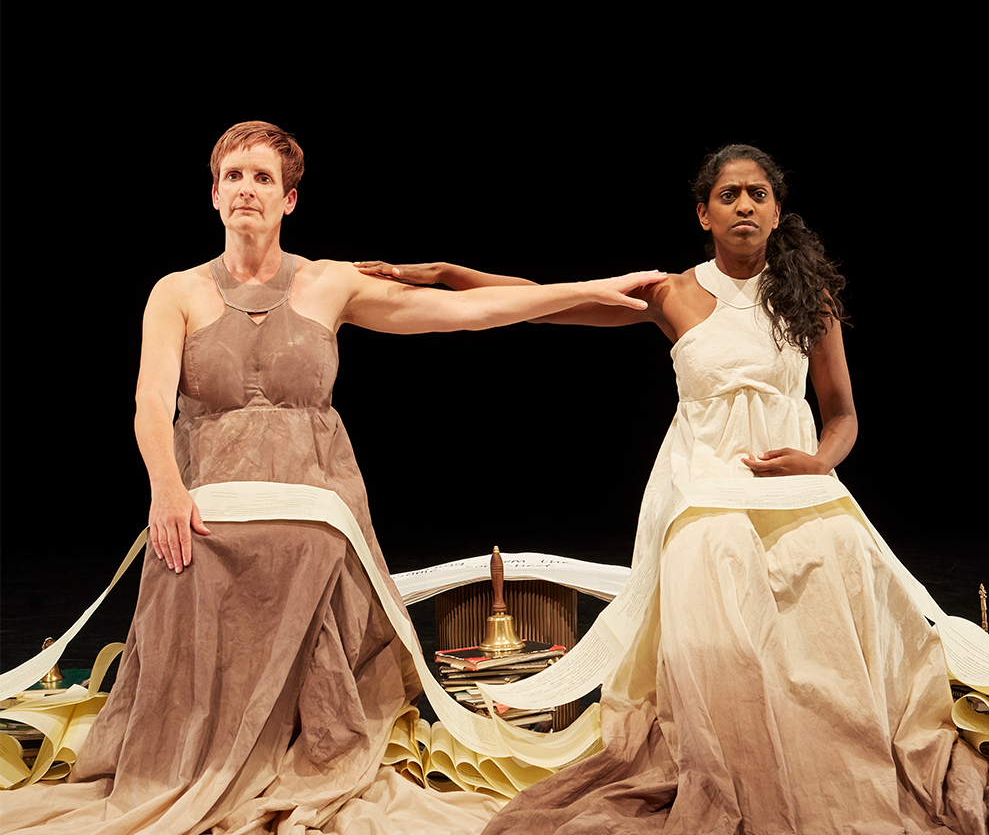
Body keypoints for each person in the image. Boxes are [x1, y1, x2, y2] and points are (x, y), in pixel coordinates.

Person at [0, 121, 664, 835]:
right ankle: (194, 756)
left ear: (289, 200)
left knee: (311, 556)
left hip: (316, 500)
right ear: (214, 194)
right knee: (184, 563)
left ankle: (304, 746)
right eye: (233, 176)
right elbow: (149, 402)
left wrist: (582, 289)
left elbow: (462, 312)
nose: (246, 189)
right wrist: (165, 486)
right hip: (206, 500)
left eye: (262, 178)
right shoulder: (178, 292)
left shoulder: (327, 282)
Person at [356, 144, 989, 834]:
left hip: (795, 486)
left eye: (758, 194)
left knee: (835, 565)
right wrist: (449, 273)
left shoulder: (809, 297)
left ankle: (827, 753)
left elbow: (841, 415)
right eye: (729, 195)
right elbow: (547, 303)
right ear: (704, 213)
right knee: (714, 559)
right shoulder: (672, 292)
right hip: (705, 486)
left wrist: (816, 463)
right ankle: (737, 758)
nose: (744, 204)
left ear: (778, 211)